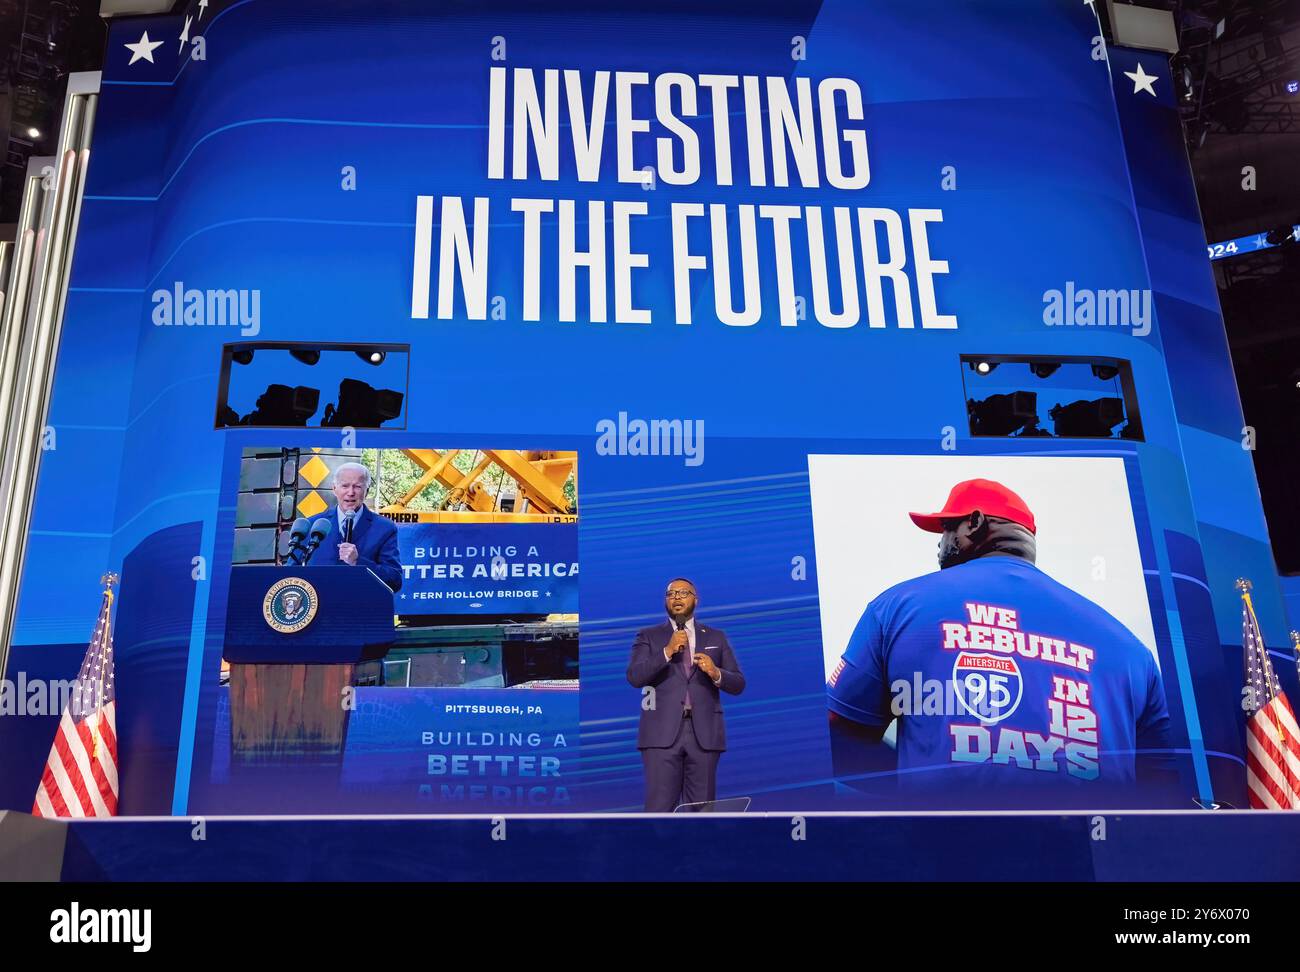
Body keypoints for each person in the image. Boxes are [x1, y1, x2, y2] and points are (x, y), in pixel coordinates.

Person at [826, 478, 1175, 808]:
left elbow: (835, 736)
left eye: (946, 528)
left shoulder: (900, 607)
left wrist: (922, 787)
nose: (939, 543)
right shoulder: (1131, 650)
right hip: (1095, 859)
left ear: (974, 523)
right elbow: (1164, 790)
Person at [627, 578, 745, 811]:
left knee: (701, 811)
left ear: (696, 599)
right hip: (660, 736)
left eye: (683, 593)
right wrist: (667, 651)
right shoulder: (648, 636)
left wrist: (715, 672)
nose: (677, 598)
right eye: (671, 594)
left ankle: (696, 848)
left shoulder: (715, 637)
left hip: (704, 734)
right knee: (658, 809)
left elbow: (738, 683)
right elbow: (635, 677)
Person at [305, 461, 403, 592]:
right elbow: (292, 570)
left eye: (357, 487)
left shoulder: (385, 528)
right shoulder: (313, 525)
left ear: (367, 491)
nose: (350, 492)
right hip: (319, 607)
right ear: (334, 489)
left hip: (361, 608)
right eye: (345, 486)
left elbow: (394, 580)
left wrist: (358, 562)